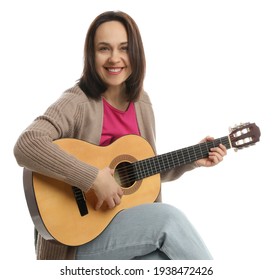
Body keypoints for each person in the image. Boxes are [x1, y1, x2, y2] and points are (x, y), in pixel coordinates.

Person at [14, 11, 227, 260]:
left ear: (135, 53)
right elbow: (27, 144)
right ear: (91, 55)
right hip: (75, 242)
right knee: (168, 220)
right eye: (104, 49)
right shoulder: (77, 102)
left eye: (124, 48)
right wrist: (92, 178)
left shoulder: (142, 103)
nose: (115, 58)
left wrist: (193, 160)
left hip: (121, 232)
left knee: (165, 261)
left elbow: (139, 172)